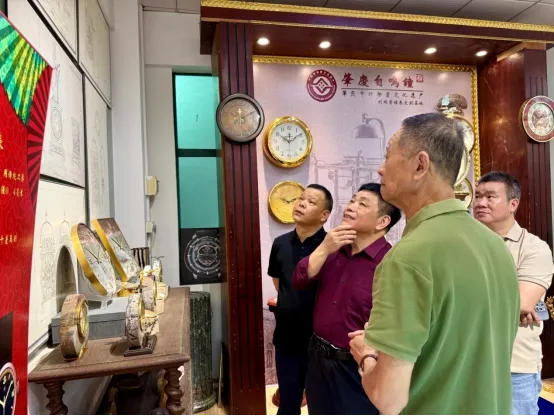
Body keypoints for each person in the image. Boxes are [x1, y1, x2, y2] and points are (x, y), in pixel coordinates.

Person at [348, 113, 520, 415]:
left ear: (420, 165)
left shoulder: (407, 257)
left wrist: (365, 355)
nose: (380, 168)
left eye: (388, 156)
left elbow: (388, 399)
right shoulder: (496, 245)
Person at [292, 183, 401, 416]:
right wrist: (324, 248)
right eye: (352, 200)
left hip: (356, 368)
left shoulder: (391, 263)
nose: (350, 207)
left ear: (382, 222)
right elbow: (299, 280)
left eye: (362, 204)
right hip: (318, 361)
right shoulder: (333, 248)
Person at [474, 171, 554, 416]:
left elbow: (522, 302)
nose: (481, 203)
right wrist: (509, 303)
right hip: (463, 361)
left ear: (513, 204)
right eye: (478, 196)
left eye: (490, 196)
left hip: (513, 366)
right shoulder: (462, 245)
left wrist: (519, 305)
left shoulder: (534, 248)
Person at [267, 184, 333, 416]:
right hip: (287, 336)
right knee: (288, 401)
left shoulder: (332, 247)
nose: (302, 203)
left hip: (322, 341)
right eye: (301, 198)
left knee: (321, 403)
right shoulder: (280, 243)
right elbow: (280, 284)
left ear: (324, 215)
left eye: (311, 202)